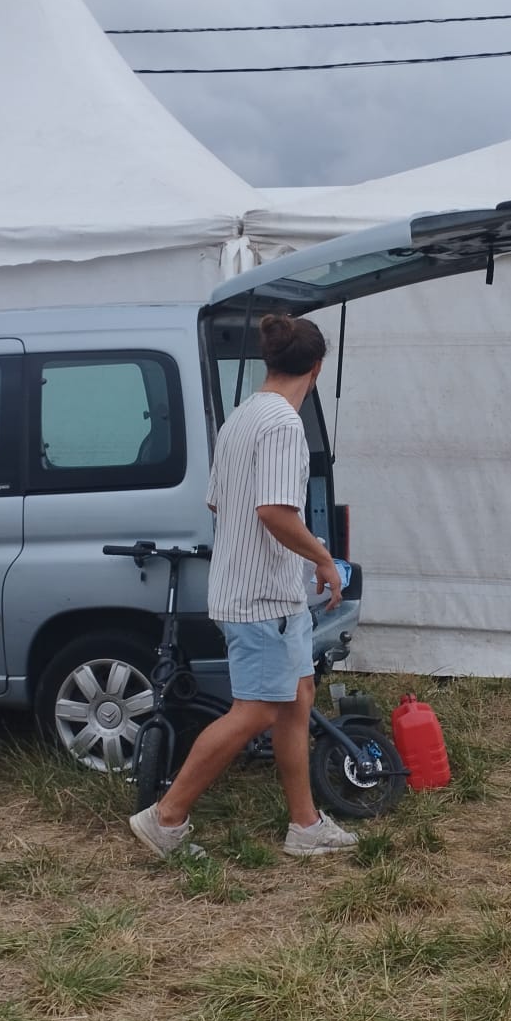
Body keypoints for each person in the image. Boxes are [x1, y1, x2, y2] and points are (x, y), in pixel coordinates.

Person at [129, 312, 359, 858]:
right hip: (263, 600)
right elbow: (274, 512)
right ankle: (166, 818)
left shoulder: (240, 419)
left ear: (270, 362)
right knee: (255, 710)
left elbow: (218, 501)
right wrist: (325, 559)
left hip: (259, 592)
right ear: (317, 368)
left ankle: (304, 826)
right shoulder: (282, 425)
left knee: (298, 698)